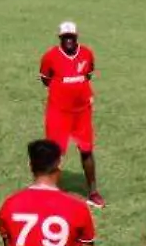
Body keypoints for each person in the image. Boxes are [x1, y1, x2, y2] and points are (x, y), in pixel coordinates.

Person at [38, 21, 105, 207]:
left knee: (87, 149)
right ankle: (51, 192)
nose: (68, 40)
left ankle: (93, 192)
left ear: (76, 37)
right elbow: (45, 79)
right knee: (55, 152)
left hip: (82, 111)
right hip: (58, 111)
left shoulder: (87, 53)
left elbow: (87, 74)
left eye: (71, 37)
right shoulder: (50, 56)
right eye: (65, 37)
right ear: (60, 38)